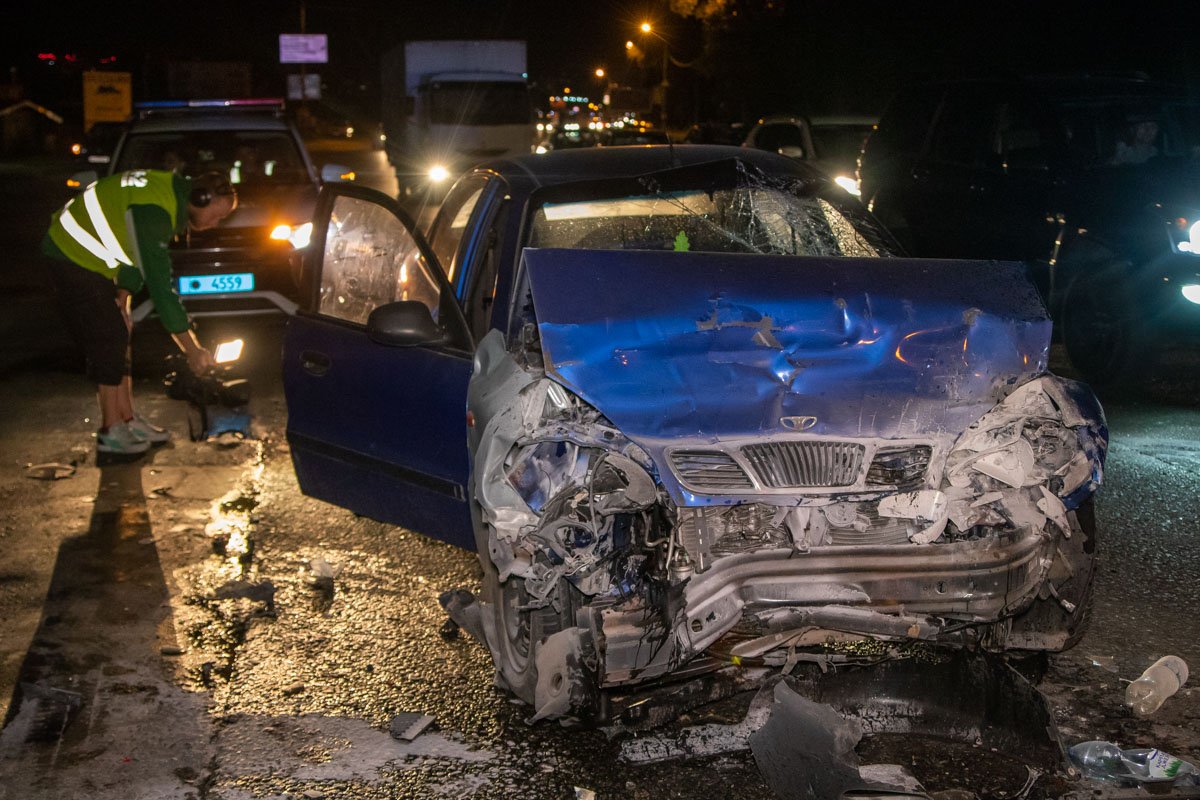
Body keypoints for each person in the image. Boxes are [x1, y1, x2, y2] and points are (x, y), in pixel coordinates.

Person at [41, 169, 237, 454]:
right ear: (200, 199)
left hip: (93, 260)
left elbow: (133, 254)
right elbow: (160, 287)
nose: (216, 223)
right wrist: (192, 349)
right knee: (109, 336)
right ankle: (111, 430)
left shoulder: (167, 196)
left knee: (121, 329)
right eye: (217, 216)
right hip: (69, 254)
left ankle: (127, 419)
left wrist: (123, 298)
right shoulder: (155, 211)